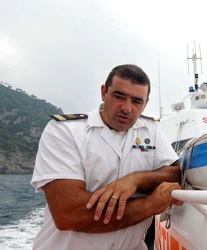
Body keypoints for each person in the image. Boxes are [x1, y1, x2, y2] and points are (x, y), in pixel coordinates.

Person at [31, 64, 183, 249]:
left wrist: (135, 180)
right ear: (104, 92)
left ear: (146, 104)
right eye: (119, 96)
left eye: (136, 101)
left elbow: (175, 173)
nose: (126, 108)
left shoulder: (150, 129)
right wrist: (151, 205)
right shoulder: (65, 131)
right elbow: (69, 214)